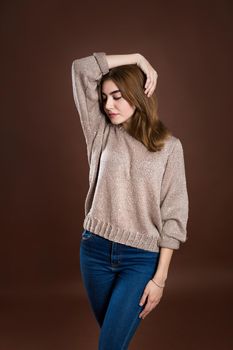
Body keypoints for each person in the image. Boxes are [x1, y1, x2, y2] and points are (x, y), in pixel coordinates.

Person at [71, 52, 189, 350]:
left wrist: (159, 279)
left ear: (138, 96)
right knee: (113, 343)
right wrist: (137, 57)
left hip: (140, 261)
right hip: (94, 252)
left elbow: (174, 216)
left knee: (110, 345)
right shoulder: (99, 132)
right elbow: (80, 69)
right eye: (104, 97)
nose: (108, 105)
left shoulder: (170, 148)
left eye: (117, 96)